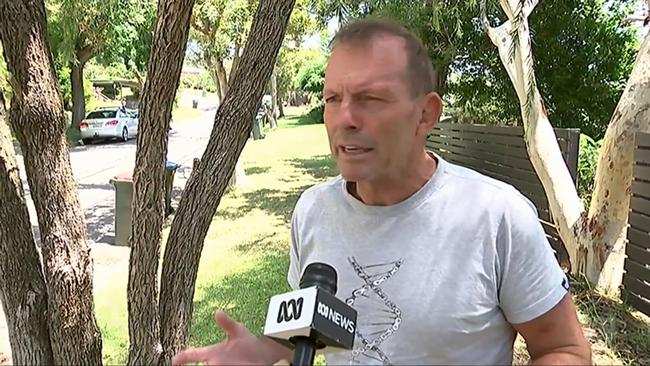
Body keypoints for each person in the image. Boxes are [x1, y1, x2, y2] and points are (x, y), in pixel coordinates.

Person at [172, 18, 592, 366]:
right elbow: (311, 328)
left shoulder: (497, 216)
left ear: (425, 114)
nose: (345, 118)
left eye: (370, 98)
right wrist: (265, 350)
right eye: (333, 98)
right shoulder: (312, 212)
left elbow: (566, 350)